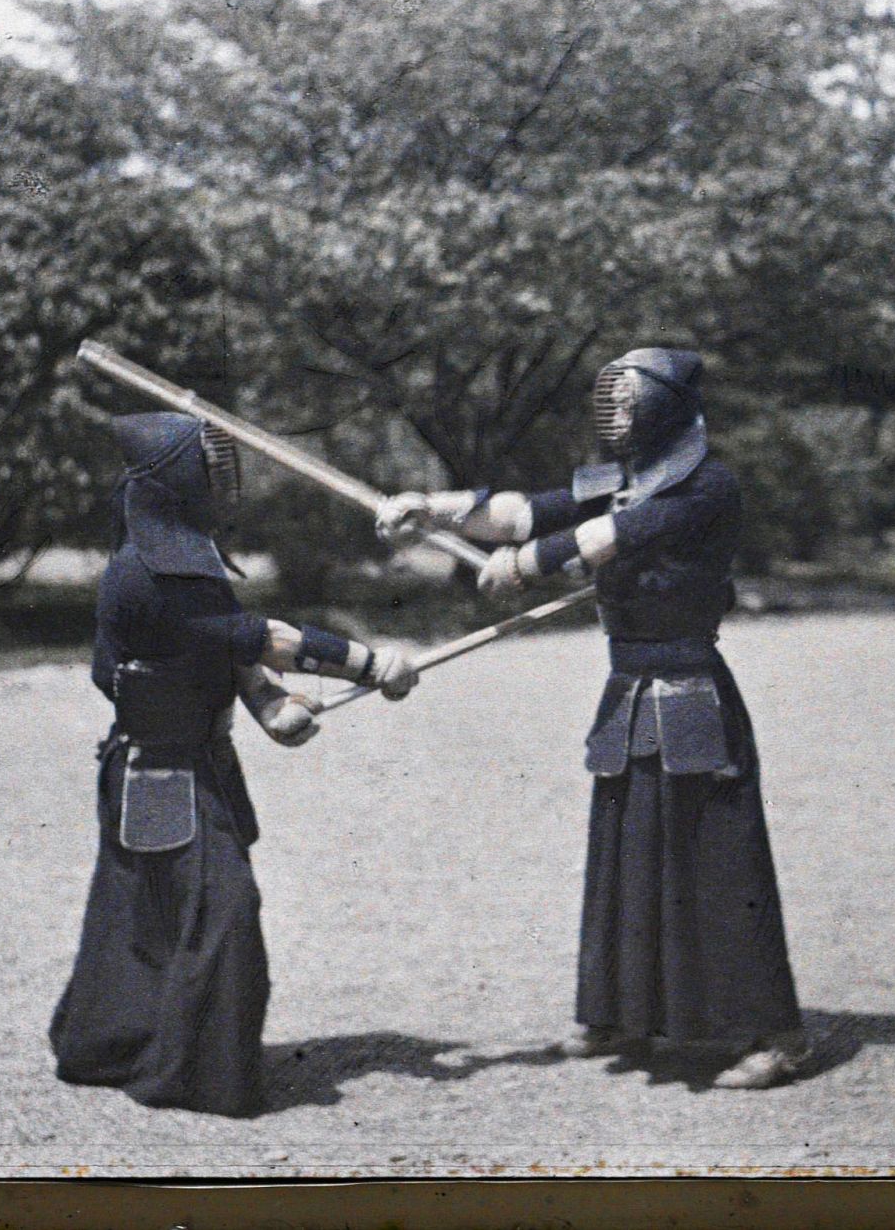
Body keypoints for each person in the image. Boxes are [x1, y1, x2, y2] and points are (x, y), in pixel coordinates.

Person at [377, 348, 807, 1089]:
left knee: (718, 861)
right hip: (628, 685)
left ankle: (777, 1034)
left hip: (689, 688)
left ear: (664, 404)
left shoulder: (707, 484)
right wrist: (432, 507)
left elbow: (611, 537)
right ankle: (624, 1013)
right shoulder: (620, 479)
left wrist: (525, 564)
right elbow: (519, 510)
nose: (616, 410)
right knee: (627, 854)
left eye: (629, 398)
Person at [50, 411, 419, 1117]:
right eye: (209, 465)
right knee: (224, 911)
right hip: (163, 772)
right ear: (176, 483)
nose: (224, 479)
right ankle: (198, 1073)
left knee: (155, 912)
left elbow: (227, 650)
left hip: (190, 760)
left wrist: (267, 701)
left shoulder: (180, 561)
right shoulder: (150, 572)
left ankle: (125, 1044)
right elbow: (257, 635)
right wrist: (371, 663)